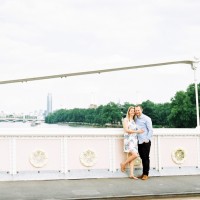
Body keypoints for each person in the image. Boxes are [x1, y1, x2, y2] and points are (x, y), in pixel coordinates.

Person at [120, 106, 144, 179]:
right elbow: (127, 130)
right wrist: (137, 131)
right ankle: (123, 164)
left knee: (132, 157)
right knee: (135, 155)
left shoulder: (134, 120)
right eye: (131, 111)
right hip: (129, 139)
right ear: (128, 111)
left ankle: (131, 174)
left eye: (134, 111)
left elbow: (137, 129)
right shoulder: (125, 120)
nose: (133, 112)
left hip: (134, 140)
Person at [135, 105, 153, 180]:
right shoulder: (136, 118)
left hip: (145, 142)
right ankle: (143, 173)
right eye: (136, 110)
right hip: (139, 141)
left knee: (146, 158)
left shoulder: (147, 118)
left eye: (138, 110)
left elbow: (150, 130)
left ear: (141, 110)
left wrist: (147, 139)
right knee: (142, 158)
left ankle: (146, 174)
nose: (137, 112)